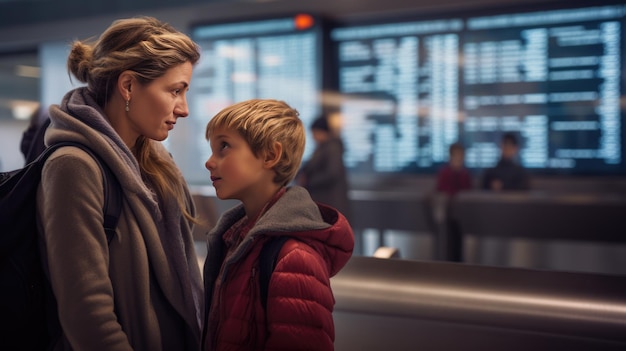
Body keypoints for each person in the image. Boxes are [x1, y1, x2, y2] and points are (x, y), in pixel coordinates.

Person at [36, 17, 203, 350]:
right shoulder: (74, 166)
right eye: (175, 90)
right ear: (128, 86)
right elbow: (87, 311)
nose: (183, 109)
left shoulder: (155, 163)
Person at [202, 99, 354, 351]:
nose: (209, 161)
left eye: (224, 147)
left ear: (271, 155)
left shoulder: (295, 258)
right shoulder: (235, 239)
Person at [296, 113, 351, 220]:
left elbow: (332, 173)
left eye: (314, 133)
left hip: (330, 201)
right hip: (327, 201)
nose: (313, 136)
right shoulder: (324, 148)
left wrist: (309, 182)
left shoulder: (332, 148)